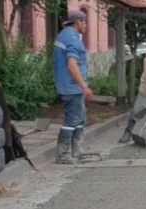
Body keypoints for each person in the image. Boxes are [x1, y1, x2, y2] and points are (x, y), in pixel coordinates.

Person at [52, 11, 94, 164]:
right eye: (85, 22)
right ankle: (63, 155)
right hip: (72, 86)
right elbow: (72, 65)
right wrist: (84, 86)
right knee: (72, 120)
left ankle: (78, 152)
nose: (86, 25)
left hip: (67, 84)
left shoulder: (64, 35)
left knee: (79, 118)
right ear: (78, 22)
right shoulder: (72, 39)